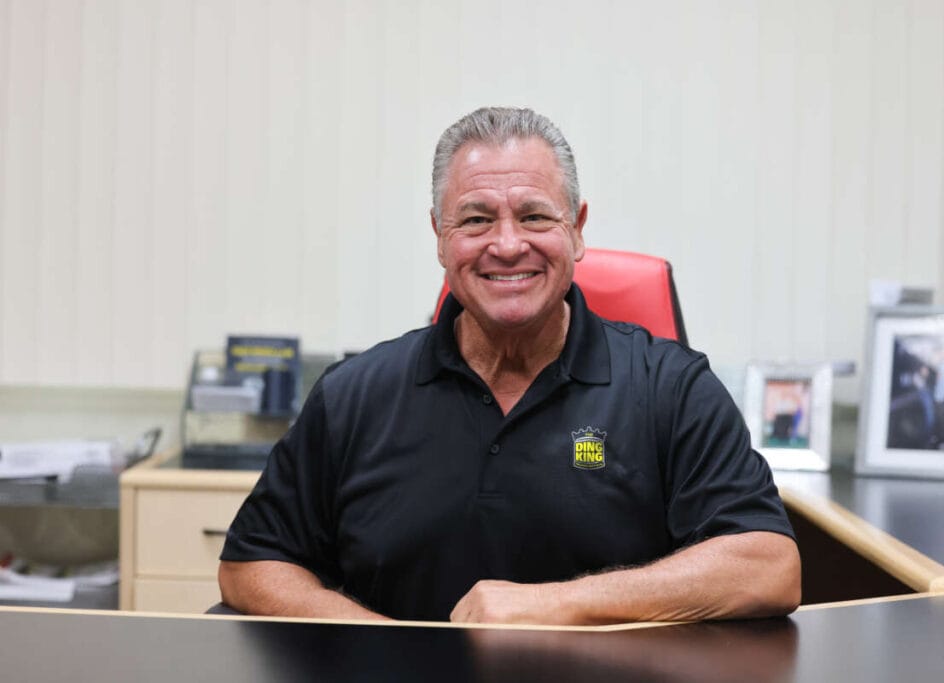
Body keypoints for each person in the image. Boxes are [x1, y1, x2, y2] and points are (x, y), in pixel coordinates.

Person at [218, 107, 801, 624]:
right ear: (439, 237)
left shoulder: (671, 387)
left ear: (577, 230)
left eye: (534, 216)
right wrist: (384, 647)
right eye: (474, 220)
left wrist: (554, 603)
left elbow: (768, 566)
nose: (506, 244)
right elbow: (253, 563)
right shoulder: (354, 395)